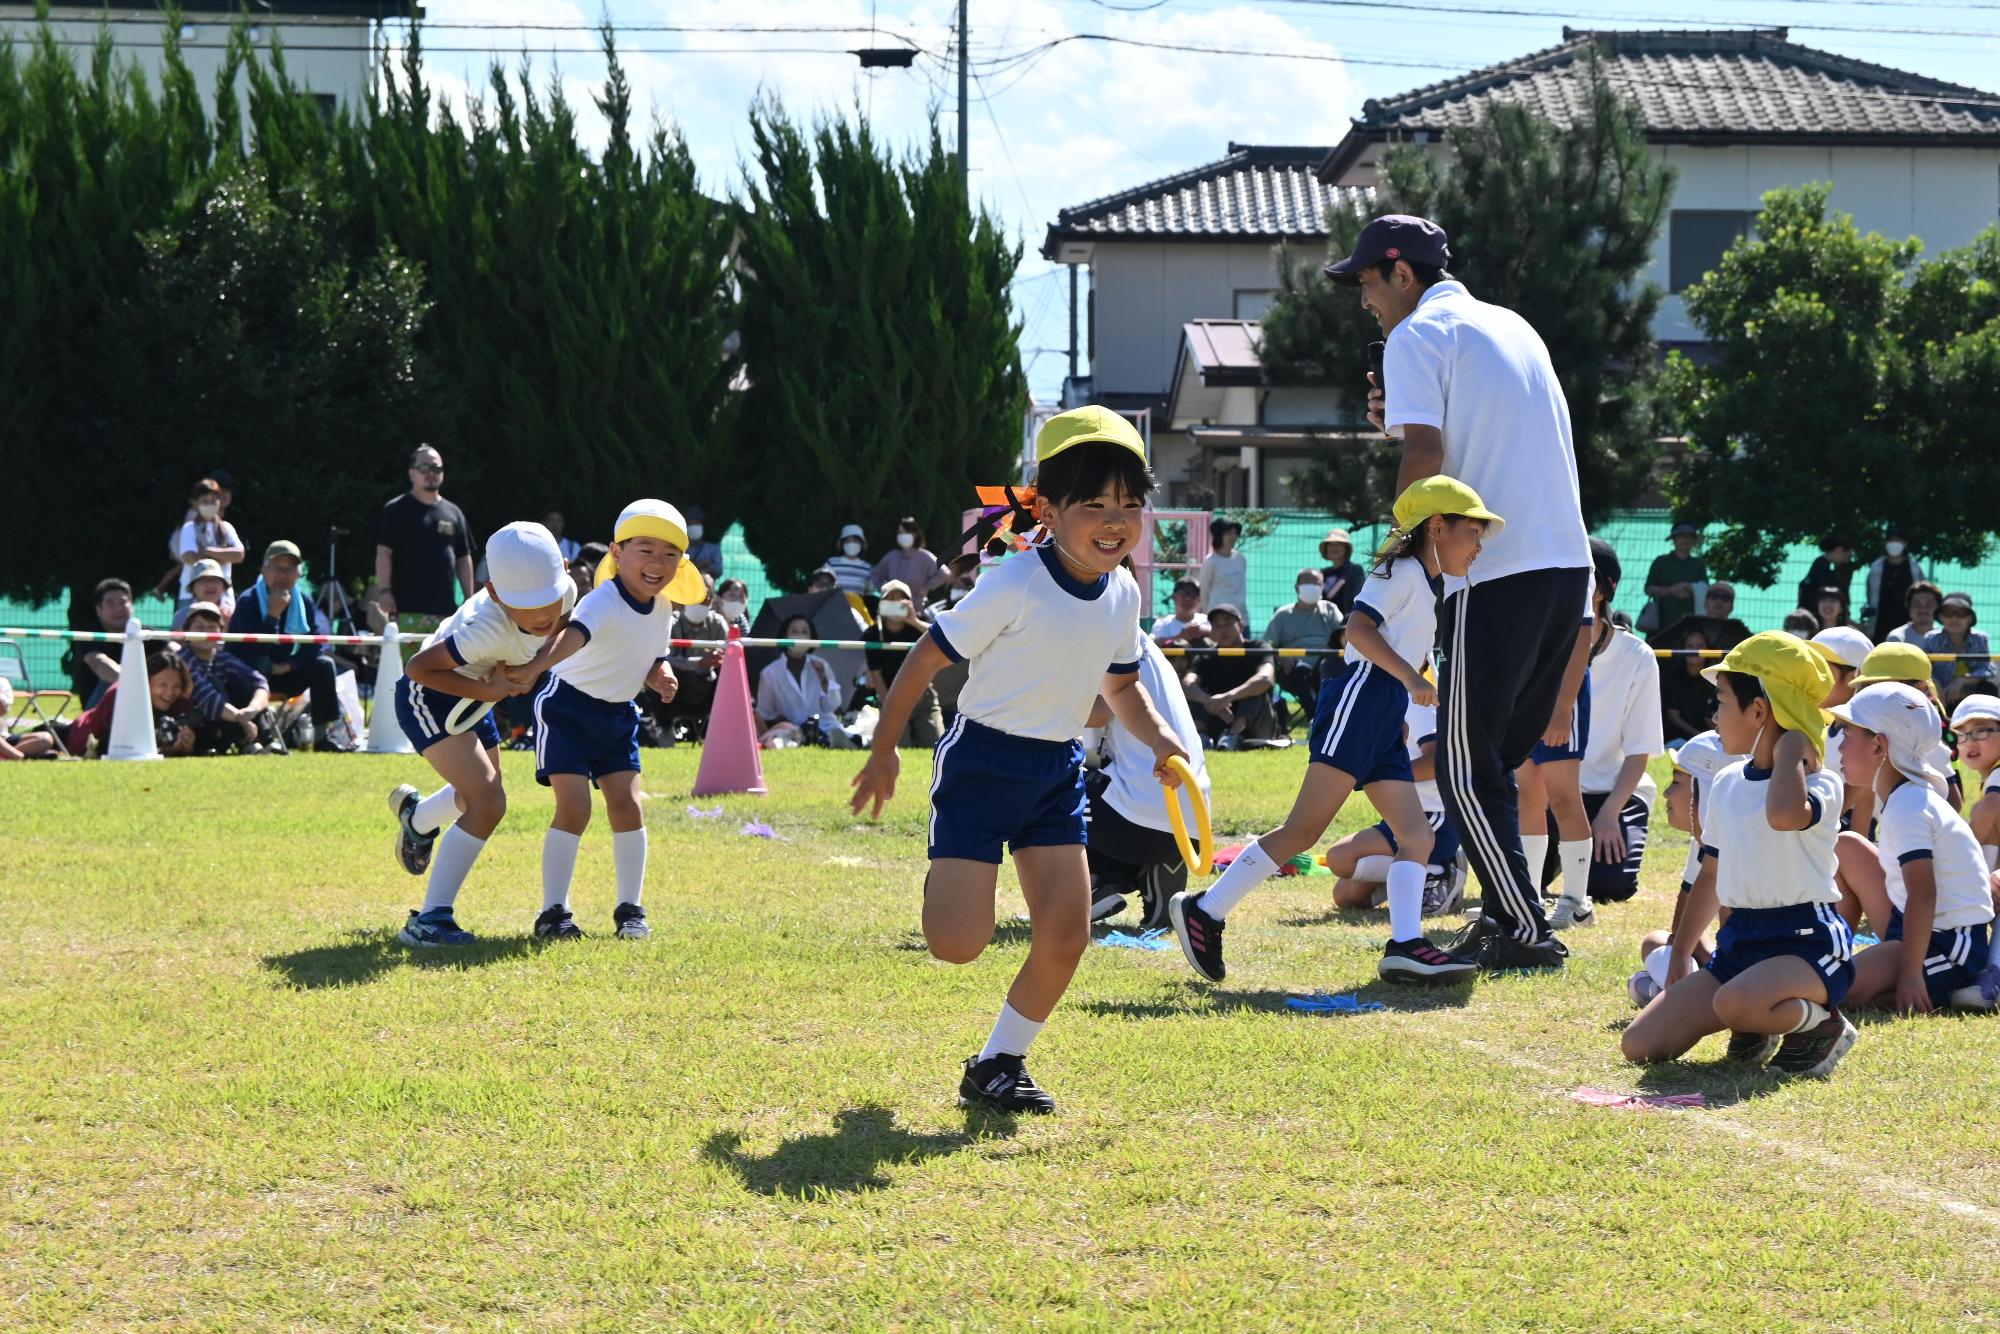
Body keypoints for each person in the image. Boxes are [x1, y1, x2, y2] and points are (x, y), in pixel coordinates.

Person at [849, 405, 1189, 1116]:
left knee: (1067, 933)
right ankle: (948, 882)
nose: (1115, 519)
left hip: (1056, 772)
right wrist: (884, 748)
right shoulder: (1014, 581)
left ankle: (1000, 1061)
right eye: (1094, 503)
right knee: (956, 944)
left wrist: (1159, 742)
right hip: (981, 766)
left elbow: (1121, 687)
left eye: (1129, 504)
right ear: (1048, 508)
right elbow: (926, 655)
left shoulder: (1123, 592)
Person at [1337, 213, 1592, 970]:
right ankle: (1515, 916)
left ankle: (1519, 924)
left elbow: (1427, 453)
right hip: (1565, 564)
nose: (1364, 301)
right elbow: (1476, 434)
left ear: (1402, 274)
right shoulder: (1513, 325)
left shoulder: (1415, 335)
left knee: (1460, 765)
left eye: (1367, 282)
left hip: (1492, 565)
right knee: (1491, 763)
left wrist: (1399, 552)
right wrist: (1406, 430)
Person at [1170, 478, 1499, 988]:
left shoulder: (1430, 583)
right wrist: (1411, 678)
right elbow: (1360, 631)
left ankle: (1406, 945)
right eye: (1473, 533)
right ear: (1437, 526)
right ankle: (1205, 910)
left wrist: (1412, 682)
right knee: (1304, 830)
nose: (1479, 546)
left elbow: (1400, 643)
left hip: (1384, 711)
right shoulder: (1402, 570)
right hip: (1360, 700)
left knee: (1417, 836)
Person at [1620, 632, 1857, 1079]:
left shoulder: (1821, 782)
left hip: (1807, 942)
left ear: (1760, 710)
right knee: (1640, 1045)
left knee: (1733, 1002)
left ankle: (1822, 1024)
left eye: (1722, 701)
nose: (1714, 715)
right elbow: (1710, 874)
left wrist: (1789, 749)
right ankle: (1757, 1018)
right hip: (1742, 942)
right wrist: (1679, 954)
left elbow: (1784, 814)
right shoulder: (1729, 780)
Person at [510, 501, 706, 941]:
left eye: (669, 554)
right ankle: (553, 913)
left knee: (628, 806)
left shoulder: (662, 608)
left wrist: (662, 673)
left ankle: (630, 910)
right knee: (575, 807)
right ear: (617, 554)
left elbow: (653, 654)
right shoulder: (603, 599)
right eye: (646, 550)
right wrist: (535, 667)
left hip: (618, 714)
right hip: (566, 709)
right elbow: (572, 637)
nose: (657, 563)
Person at [386, 523, 575, 944]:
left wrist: (532, 667)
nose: (544, 614)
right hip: (430, 698)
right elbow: (417, 669)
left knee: (479, 796)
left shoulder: (565, 591)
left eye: (549, 599)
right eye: (527, 607)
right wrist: (488, 689)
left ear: (564, 569)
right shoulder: (488, 629)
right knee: (488, 802)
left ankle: (417, 819)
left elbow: (560, 628)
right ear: (494, 594)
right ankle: (429, 921)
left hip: (478, 696)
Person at [1833, 686, 1996, 1013]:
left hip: (1948, 946)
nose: (1839, 747)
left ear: (1879, 745)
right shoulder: (1903, 795)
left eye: (1846, 735)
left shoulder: (1909, 805)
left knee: (1838, 989)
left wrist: (1910, 973)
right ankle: (1835, 954)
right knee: (1847, 846)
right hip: (1911, 925)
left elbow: (1923, 892)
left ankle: (1939, 989)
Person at [1084, 631, 1211, 929]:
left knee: (1037, 783)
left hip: (1137, 819)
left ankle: (1088, 888)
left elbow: (1096, 716)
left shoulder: (1097, 636)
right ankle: (1151, 867)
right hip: (1189, 823)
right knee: (1103, 780)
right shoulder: (1148, 649)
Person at [1572, 537, 1664, 909]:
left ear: (1600, 591)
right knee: (1524, 876)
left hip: (1615, 794)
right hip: (1555, 792)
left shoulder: (1637, 656)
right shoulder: (1544, 646)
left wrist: (1609, 814)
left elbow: (1639, 751)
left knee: (1610, 887)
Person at [1325, 690, 1464, 919]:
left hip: (1432, 817)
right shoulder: (1393, 697)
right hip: (1403, 815)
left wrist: (1383, 774)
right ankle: (1413, 879)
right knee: (1344, 896)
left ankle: (1442, 871)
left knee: (1340, 858)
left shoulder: (1420, 701)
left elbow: (1437, 763)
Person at [228, 540, 348, 753]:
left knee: (324, 664)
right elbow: (246, 651)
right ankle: (264, 737)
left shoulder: (304, 602)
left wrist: (290, 665)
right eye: (277, 567)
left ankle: (322, 737)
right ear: (264, 570)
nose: (283, 574)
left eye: (289, 569)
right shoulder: (248, 601)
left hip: (285, 672)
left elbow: (314, 645)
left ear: (298, 575)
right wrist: (273, 615)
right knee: (259, 663)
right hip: (248, 677)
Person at [373, 445, 476, 645]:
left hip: (446, 614)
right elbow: (384, 553)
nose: (431, 473)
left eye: (436, 469)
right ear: (411, 473)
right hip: (406, 611)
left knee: (443, 673)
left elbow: (464, 558)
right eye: (424, 468)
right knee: (407, 672)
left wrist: (469, 599)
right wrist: (384, 591)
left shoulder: (454, 513)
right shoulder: (395, 510)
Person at [8, 649, 195, 759]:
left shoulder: (179, 702)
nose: (170, 692)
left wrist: (185, 743)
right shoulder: (122, 694)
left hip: (72, 740)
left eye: (177, 686)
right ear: (145, 680)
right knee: (43, 741)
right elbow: (106, 746)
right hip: (68, 737)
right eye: (162, 685)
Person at [1179, 605, 1276, 750]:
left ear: (1241, 626)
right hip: (1218, 720)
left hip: (1256, 724)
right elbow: (1187, 685)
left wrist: (1229, 697)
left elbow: (1265, 678)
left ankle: (1232, 735)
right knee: (1196, 693)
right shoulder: (1206, 656)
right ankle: (1201, 737)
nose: (1222, 629)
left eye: (1227, 623)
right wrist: (1210, 701)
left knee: (1255, 689)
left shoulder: (1258, 648)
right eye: (1216, 625)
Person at [862, 581, 941, 747]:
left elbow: (942, 637)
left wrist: (913, 621)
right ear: (882, 604)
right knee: (898, 745)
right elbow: (876, 675)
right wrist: (889, 707)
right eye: (890, 599)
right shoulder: (873, 634)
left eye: (901, 600)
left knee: (933, 743)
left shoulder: (919, 623)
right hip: (891, 696)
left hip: (923, 696)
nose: (896, 603)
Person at [755, 614, 848, 746]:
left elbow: (832, 705)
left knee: (834, 735)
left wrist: (823, 679)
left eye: (805, 632)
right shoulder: (770, 673)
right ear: (784, 637)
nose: (800, 636)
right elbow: (766, 713)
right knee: (781, 741)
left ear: (812, 638)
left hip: (825, 725)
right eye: (794, 631)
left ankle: (834, 739)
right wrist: (780, 721)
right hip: (792, 730)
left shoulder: (821, 665)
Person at [659, 577, 731, 744]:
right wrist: (697, 663)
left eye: (705, 598)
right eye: (695, 596)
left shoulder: (718, 624)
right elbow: (664, 657)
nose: (699, 602)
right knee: (662, 672)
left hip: (708, 688)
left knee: (728, 676)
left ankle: (723, 734)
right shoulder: (671, 622)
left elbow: (730, 656)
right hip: (677, 691)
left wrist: (720, 660)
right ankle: (664, 730)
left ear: (712, 601)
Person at [1263, 569, 1344, 712]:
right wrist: (1280, 654)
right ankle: (1315, 716)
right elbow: (1267, 645)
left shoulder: (1330, 609)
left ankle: (1325, 715)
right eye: (1307, 583)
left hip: (1327, 664)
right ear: (1296, 587)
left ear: (1322, 587)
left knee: (1329, 666)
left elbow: (1343, 636)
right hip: (1293, 669)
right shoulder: (1282, 614)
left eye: (1316, 583)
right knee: (1301, 671)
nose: (1312, 587)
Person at [172, 477, 245, 619]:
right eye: (204, 501)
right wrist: (223, 556)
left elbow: (239, 555)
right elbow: (190, 557)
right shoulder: (189, 528)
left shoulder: (227, 528)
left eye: (213, 501)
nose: (210, 505)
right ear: (195, 503)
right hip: (190, 596)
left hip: (224, 597)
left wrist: (207, 551)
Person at [67, 578, 132, 708]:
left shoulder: (145, 633)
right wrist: (138, 682)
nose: (118, 608)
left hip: (143, 701)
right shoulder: (89, 636)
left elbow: (173, 652)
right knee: (110, 679)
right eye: (110, 603)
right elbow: (100, 664)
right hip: (98, 710)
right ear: (99, 610)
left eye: (123, 602)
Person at [1924, 592, 1994, 701]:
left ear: (1969, 618)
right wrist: (1935, 686)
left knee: (1988, 688)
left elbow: (1986, 670)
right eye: (1948, 613)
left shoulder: (1980, 638)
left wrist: (1961, 680)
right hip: (1940, 696)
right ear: (1941, 617)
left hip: (1971, 697)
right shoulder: (1931, 638)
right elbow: (1924, 669)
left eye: (1961, 613)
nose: (1954, 618)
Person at [1644, 522, 1708, 632]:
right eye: (1681, 536)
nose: (1685, 539)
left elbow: (1705, 589)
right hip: (1662, 621)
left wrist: (1689, 588)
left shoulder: (1699, 564)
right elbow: (1648, 589)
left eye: (1689, 536)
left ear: (1694, 541)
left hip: (1691, 623)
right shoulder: (1661, 562)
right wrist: (1671, 591)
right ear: (1673, 539)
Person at [1864, 529, 1925, 643]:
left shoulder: (1914, 567)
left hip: (1907, 621)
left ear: (1905, 544)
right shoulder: (1876, 567)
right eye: (1890, 540)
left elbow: (1923, 592)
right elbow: (1869, 593)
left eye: (1897, 540)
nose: (1893, 544)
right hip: (1880, 623)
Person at [1659, 628, 1717, 744]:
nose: (1695, 650)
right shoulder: (1672, 676)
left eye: (1700, 645)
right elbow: (1673, 716)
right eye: (1690, 646)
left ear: (1708, 649)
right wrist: (1699, 736)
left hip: (1710, 737)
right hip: (1676, 738)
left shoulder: (1715, 677)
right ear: (1683, 649)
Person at [869, 517, 946, 599]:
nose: (903, 535)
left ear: (915, 534)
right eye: (900, 533)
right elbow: (875, 574)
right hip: (893, 606)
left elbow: (944, 573)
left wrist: (927, 587)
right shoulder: (892, 556)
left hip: (916, 605)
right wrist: (884, 589)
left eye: (906, 532)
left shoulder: (924, 556)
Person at [1197, 518, 1247, 618]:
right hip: (1218, 620)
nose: (1233, 537)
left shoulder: (1240, 559)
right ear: (1219, 536)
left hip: (1241, 617)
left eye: (1235, 533)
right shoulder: (1211, 561)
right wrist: (1208, 616)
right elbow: (1203, 592)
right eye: (1229, 533)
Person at [1797, 537, 1855, 615]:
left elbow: (1802, 586)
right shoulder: (1824, 571)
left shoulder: (1819, 564)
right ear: (1839, 550)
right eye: (1848, 556)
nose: (1847, 560)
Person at [1318, 528, 1366, 618]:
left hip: (1347, 623)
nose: (1334, 548)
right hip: (1325, 624)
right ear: (1326, 549)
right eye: (1330, 544)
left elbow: (1358, 597)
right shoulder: (1322, 573)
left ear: (1346, 548)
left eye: (1339, 544)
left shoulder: (1355, 570)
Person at [1150, 580, 1209, 646]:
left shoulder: (1207, 621)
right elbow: (1154, 646)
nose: (1187, 598)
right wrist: (1181, 636)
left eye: (1193, 594)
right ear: (1174, 597)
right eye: (1183, 594)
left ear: (1199, 599)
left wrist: (1208, 633)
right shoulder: (1162, 623)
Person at [1886, 581, 1943, 648]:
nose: (1923, 609)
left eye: (1929, 604)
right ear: (1909, 607)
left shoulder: (1944, 639)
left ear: (1938, 607)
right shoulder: (1897, 638)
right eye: (1917, 604)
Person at [824, 524, 872, 596]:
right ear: (842, 543)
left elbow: (869, 593)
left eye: (855, 541)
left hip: (857, 606)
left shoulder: (867, 568)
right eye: (848, 541)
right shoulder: (831, 563)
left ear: (861, 544)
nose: (851, 544)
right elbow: (823, 587)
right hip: (834, 605)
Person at [683, 505, 724, 582]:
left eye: (697, 522)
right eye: (691, 522)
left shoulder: (713, 548)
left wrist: (691, 565)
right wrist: (704, 564)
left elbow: (718, 569)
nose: (695, 525)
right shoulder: (679, 547)